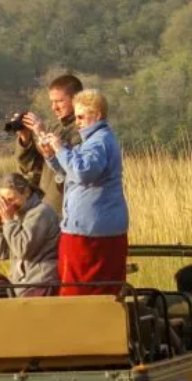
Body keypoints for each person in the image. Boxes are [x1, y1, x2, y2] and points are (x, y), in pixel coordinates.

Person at [37, 89, 128, 297]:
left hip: (90, 233)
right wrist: (51, 156)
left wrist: (60, 148)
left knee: (78, 289)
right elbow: (70, 171)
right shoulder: (95, 141)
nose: (77, 122)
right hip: (95, 228)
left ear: (96, 115)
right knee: (99, 289)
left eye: (81, 117)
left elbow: (83, 172)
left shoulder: (99, 142)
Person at [14, 74, 83, 216]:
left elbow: (73, 168)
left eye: (60, 101)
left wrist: (41, 133)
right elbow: (30, 167)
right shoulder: (53, 127)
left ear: (76, 99)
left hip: (71, 208)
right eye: (52, 102)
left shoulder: (84, 129)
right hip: (47, 206)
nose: (54, 107)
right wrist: (25, 139)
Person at [0, 172, 61, 297]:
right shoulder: (16, 215)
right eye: (4, 201)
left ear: (26, 192)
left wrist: (8, 221)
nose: (8, 205)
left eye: (11, 199)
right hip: (23, 285)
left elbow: (22, 249)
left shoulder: (41, 213)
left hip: (42, 283)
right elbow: (0, 253)